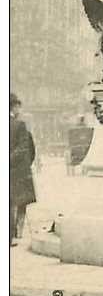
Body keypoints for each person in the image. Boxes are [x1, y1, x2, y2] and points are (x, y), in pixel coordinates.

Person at [10, 93, 36, 244]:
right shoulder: (20, 126)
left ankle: (14, 232)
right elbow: (28, 150)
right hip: (19, 171)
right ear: (15, 106)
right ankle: (17, 231)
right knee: (20, 202)